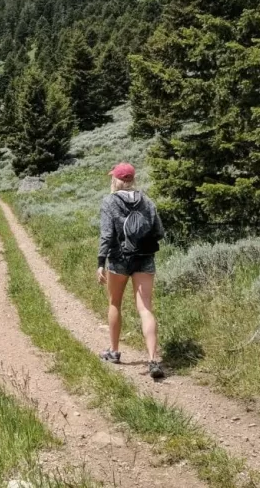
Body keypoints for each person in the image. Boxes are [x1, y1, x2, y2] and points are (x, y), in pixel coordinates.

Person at [97, 162, 165, 379]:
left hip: (118, 260)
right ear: (132, 179)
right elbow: (159, 231)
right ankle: (154, 359)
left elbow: (107, 235)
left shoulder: (110, 201)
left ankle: (114, 351)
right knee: (145, 308)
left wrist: (101, 261)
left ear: (115, 180)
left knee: (115, 303)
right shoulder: (147, 201)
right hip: (145, 259)